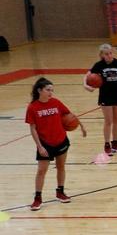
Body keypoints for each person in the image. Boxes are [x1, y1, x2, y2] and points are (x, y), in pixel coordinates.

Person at [25, 77, 86, 211]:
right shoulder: (32, 107)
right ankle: (37, 198)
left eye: (52, 90)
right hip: (45, 143)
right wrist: (39, 146)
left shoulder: (56, 102)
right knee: (41, 171)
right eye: (48, 90)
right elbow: (32, 128)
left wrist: (81, 126)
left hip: (61, 140)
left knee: (61, 167)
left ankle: (60, 192)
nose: (50, 92)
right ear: (39, 90)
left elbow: (70, 115)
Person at [84, 43, 117, 155]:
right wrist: (86, 86)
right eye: (106, 54)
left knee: (116, 121)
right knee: (108, 121)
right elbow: (87, 75)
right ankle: (107, 145)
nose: (109, 55)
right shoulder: (99, 65)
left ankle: (115, 143)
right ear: (102, 55)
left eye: (110, 53)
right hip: (105, 96)